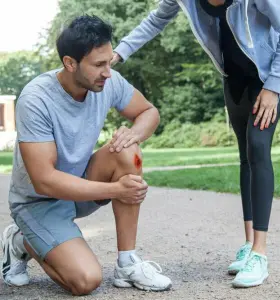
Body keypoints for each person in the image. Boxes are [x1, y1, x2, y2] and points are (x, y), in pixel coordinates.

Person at [111, 0, 280, 288]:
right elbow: (155, 20)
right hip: (233, 79)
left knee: (259, 149)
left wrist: (274, 86)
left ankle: (260, 254)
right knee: (246, 156)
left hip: (266, 78)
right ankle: (249, 246)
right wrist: (118, 53)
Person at [0, 15, 172, 296]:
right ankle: (20, 241)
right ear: (70, 63)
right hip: (38, 202)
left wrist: (135, 134)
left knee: (127, 148)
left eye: (109, 61)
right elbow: (44, 181)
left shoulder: (109, 82)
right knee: (85, 281)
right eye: (99, 64)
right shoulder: (36, 99)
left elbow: (148, 112)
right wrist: (117, 189)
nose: (108, 71)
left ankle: (127, 263)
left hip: (81, 184)